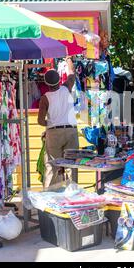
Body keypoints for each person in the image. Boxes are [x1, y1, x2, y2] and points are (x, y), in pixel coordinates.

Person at [37, 58, 78, 188]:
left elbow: (40, 120)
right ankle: (74, 193)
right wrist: (69, 60)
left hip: (54, 133)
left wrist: (50, 123)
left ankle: (49, 198)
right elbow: (72, 75)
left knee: (52, 166)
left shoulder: (45, 98)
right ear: (59, 80)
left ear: (46, 83)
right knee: (72, 165)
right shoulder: (66, 88)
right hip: (71, 131)